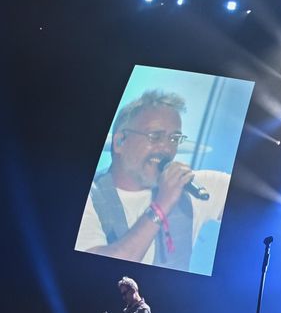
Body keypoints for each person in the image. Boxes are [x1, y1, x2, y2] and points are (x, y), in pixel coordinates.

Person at [75, 90, 230, 272]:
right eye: (155, 136)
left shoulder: (193, 186)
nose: (166, 148)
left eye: (174, 139)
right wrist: (161, 206)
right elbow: (94, 269)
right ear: (120, 142)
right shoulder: (86, 197)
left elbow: (255, 204)